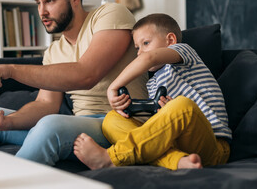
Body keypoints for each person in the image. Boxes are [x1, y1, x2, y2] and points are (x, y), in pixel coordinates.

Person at [0, 0, 148, 166]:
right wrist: (7, 122)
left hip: (120, 123)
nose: (42, 12)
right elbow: (45, 104)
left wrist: (11, 70)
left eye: (49, 1)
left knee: (50, 125)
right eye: (38, 3)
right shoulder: (54, 51)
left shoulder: (110, 14)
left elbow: (86, 74)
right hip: (80, 125)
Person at [73, 13, 232, 170]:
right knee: (111, 120)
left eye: (146, 43)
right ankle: (177, 161)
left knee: (182, 105)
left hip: (213, 145)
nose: (140, 52)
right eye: (137, 47)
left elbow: (148, 59)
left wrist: (113, 87)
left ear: (170, 40)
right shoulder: (153, 83)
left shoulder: (184, 52)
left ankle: (113, 158)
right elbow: (157, 129)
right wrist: (163, 112)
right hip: (179, 146)